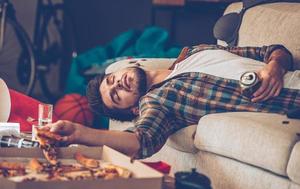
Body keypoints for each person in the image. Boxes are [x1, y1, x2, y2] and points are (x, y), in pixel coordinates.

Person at [44, 44, 300, 159]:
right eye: (115, 96)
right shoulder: (158, 101)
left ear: (130, 65)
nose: (118, 84)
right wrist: (80, 132)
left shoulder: (196, 52)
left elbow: (271, 50)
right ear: (133, 108)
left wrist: (275, 66)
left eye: (112, 80)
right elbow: (140, 141)